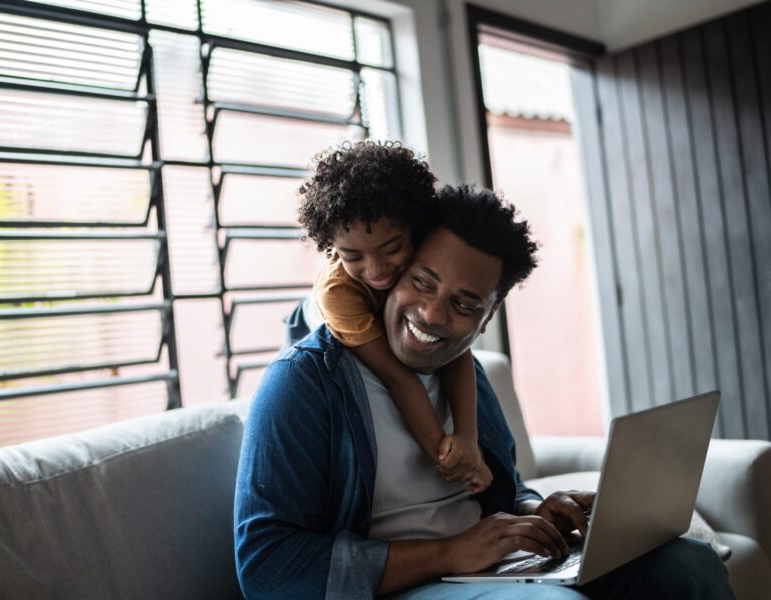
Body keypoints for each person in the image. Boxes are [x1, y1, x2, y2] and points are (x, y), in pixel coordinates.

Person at [234, 184, 735, 599]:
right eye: (423, 282)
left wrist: (534, 510)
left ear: (488, 317)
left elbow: (501, 488)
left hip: (488, 569)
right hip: (400, 585)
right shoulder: (305, 382)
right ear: (390, 276)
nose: (432, 315)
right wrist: (450, 552)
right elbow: (267, 566)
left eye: (465, 303)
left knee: (689, 566)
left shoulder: (462, 370)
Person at [297, 140, 491, 491]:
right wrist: (449, 457)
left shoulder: (424, 260)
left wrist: (467, 437)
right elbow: (397, 377)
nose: (376, 269)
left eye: (392, 249)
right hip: (318, 319)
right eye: (352, 256)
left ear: (414, 229)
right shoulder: (338, 291)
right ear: (331, 245)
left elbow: (457, 353)